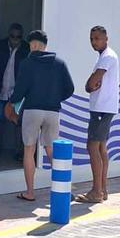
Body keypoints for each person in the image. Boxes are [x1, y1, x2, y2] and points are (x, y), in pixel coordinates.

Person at [5, 30, 74, 202]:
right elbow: (70, 88)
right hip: (53, 112)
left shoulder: (28, 63)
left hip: (32, 110)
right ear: (45, 45)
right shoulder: (60, 63)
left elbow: (20, 90)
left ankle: (30, 192)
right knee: (51, 150)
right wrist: (55, 97)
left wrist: (11, 102)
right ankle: (64, 189)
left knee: (29, 150)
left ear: (34, 45)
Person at [76, 26, 119, 204]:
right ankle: (103, 189)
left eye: (97, 39)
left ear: (106, 38)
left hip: (102, 108)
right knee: (101, 148)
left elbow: (93, 81)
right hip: (103, 108)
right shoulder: (106, 56)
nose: (94, 42)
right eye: (92, 39)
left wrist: (88, 86)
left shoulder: (107, 57)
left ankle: (96, 191)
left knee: (92, 147)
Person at [0, 23, 30, 162]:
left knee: (18, 123)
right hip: (0, 91)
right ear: (8, 35)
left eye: (18, 36)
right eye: (13, 36)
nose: (15, 39)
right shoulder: (0, 46)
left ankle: (19, 152)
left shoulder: (26, 49)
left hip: (17, 93)